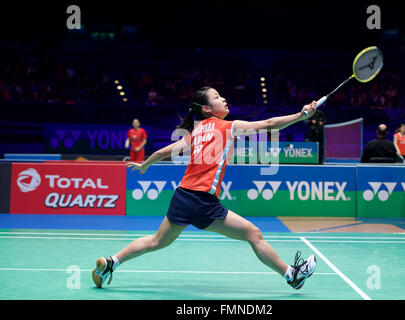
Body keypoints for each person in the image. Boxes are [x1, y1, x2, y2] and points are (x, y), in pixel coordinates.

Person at [92, 87, 318, 290]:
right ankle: (292, 275)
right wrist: (301, 115)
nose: (224, 98)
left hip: (182, 196)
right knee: (253, 234)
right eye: (218, 97)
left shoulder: (195, 132)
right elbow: (269, 125)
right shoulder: (229, 127)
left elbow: (163, 153)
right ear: (208, 108)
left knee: (157, 241)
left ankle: (111, 262)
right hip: (202, 200)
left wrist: (144, 165)